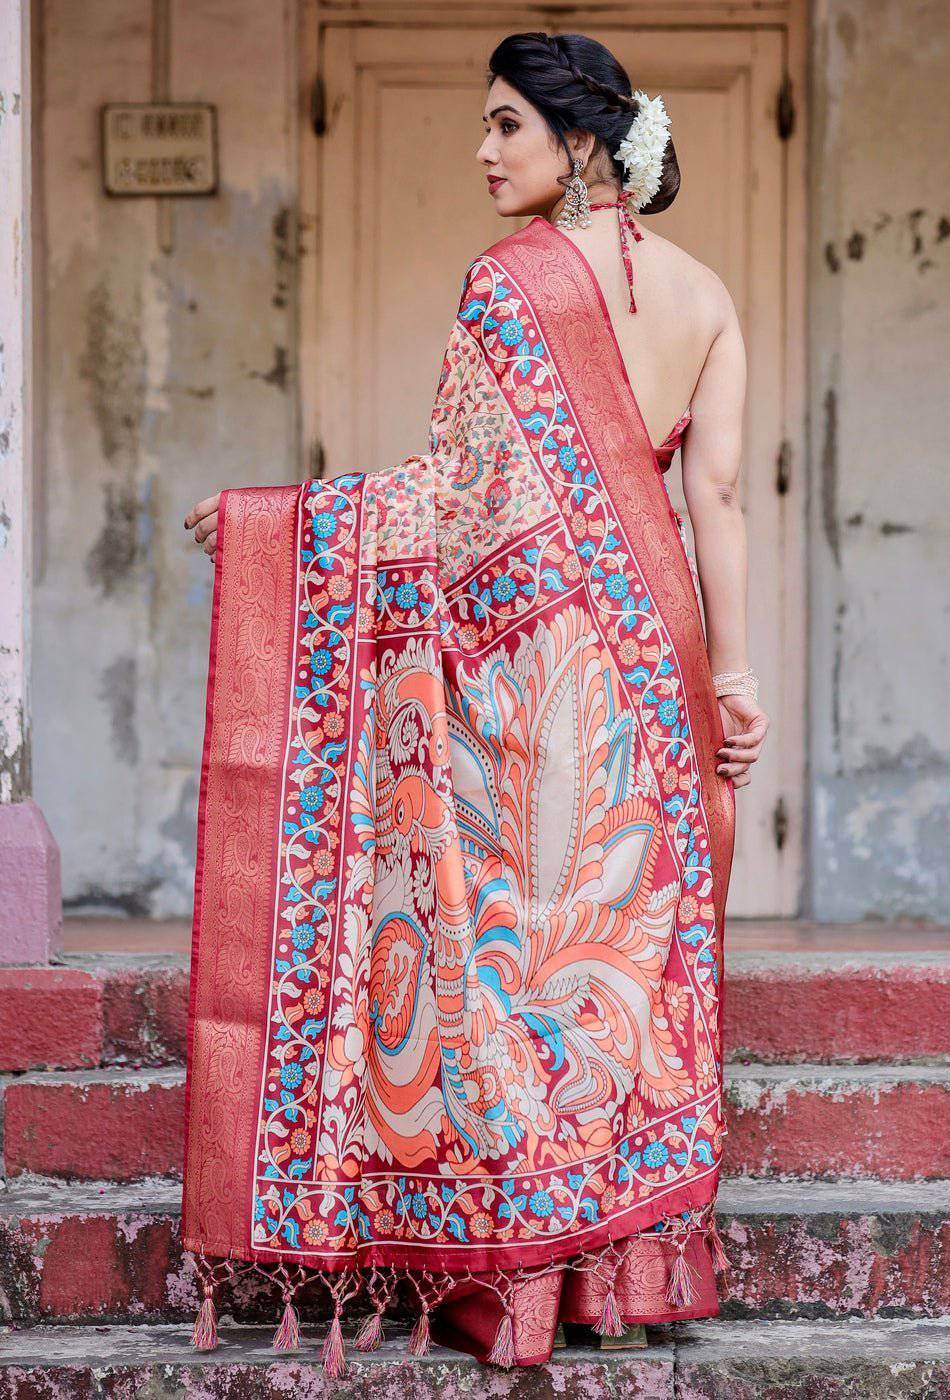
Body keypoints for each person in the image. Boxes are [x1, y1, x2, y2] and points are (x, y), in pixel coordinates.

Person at [180, 30, 768, 1374]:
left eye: (507, 126)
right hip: (654, 648)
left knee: (523, 966)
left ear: (579, 145)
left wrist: (276, 528)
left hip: (530, 657)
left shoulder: (513, 282)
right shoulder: (708, 294)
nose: (485, 151)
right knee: (621, 958)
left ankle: (523, 1289)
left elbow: (455, 496)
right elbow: (715, 496)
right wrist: (732, 673)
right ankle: (621, 1282)